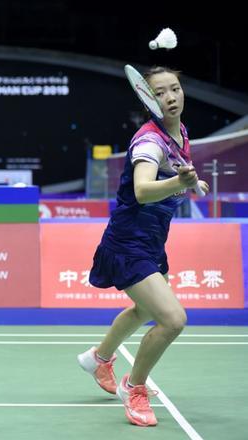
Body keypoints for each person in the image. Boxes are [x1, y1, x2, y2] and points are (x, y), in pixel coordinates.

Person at [77, 66, 209, 427]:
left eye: (175, 89)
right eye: (161, 92)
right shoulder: (149, 141)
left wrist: (191, 184)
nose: (170, 97)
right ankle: (133, 387)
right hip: (128, 242)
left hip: (151, 239)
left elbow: (178, 172)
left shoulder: (179, 132)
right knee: (172, 319)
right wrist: (177, 184)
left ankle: (99, 359)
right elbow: (142, 190)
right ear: (148, 99)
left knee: (140, 309)